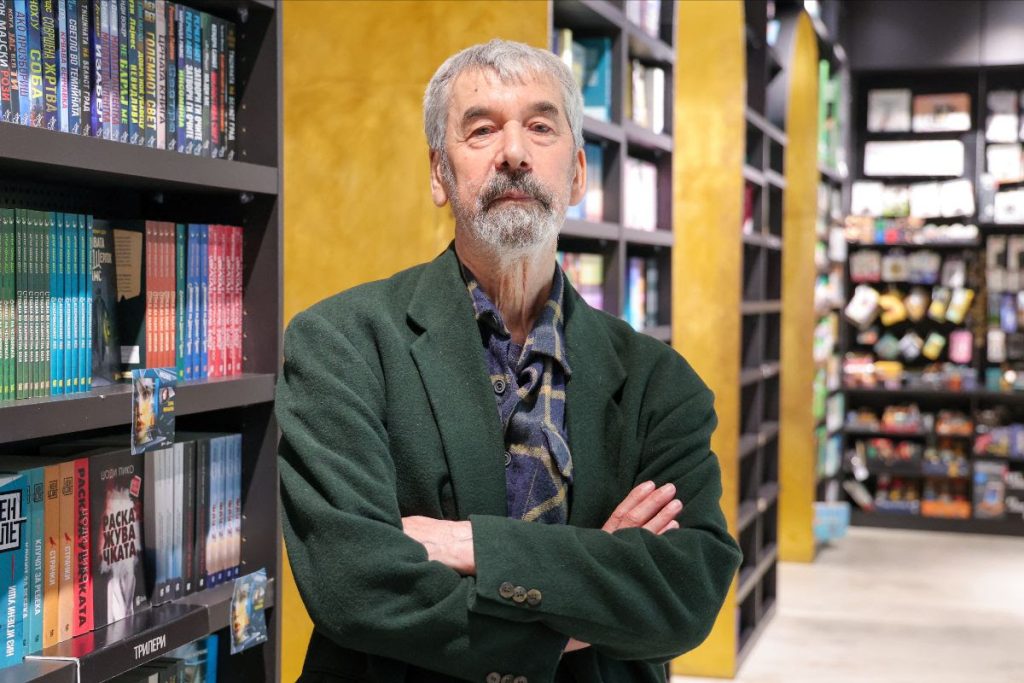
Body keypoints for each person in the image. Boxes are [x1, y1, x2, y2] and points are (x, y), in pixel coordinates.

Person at [276, 39, 742, 683]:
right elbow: (352, 585)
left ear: (577, 174)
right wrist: (594, 579)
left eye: (541, 127)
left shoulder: (660, 382)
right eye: (481, 130)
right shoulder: (339, 345)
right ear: (439, 175)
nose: (514, 152)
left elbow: (685, 594)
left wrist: (469, 545)